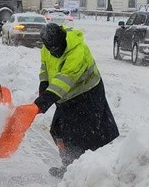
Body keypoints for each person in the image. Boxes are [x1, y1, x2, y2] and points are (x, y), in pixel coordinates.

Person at [33, 22, 119, 176]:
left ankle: (92, 170)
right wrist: (44, 84)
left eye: (58, 48)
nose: (55, 51)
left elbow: (65, 79)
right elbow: (45, 67)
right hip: (67, 95)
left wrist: (42, 102)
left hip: (88, 93)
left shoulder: (76, 52)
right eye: (51, 48)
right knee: (58, 131)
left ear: (63, 39)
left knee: (85, 134)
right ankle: (69, 167)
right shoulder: (47, 48)